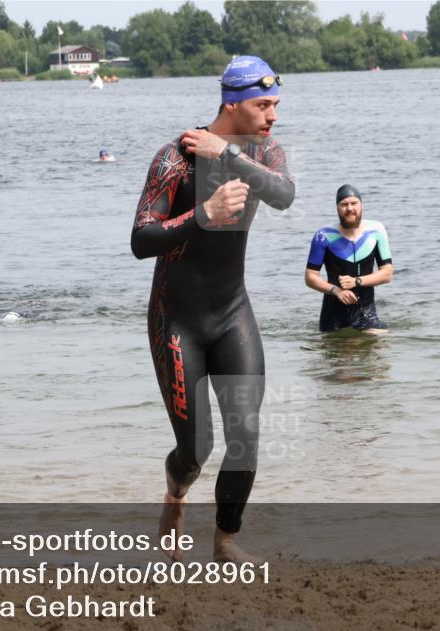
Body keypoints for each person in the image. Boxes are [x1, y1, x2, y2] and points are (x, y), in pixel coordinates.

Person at [131, 55, 294, 564]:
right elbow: (141, 239)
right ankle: (175, 494)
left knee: (245, 432)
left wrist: (228, 153)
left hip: (232, 314)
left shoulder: (264, 151)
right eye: (263, 105)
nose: (273, 116)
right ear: (233, 102)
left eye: (275, 105)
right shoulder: (175, 159)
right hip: (176, 321)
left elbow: (285, 195)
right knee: (195, 449)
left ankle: (225, 538)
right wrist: (203, 214)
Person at [305, 185, 393, 333]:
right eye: (344, 204)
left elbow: (387, 273)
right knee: (338, 353)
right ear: (337, 208)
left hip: (366, 310)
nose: (349, 208)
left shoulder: (376, 231)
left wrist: (357, 281)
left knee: (380, 347)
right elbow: (310, 277)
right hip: (333, 314)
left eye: (354, 203)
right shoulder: (323, 236)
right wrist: (336, 291)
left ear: (361, 205)